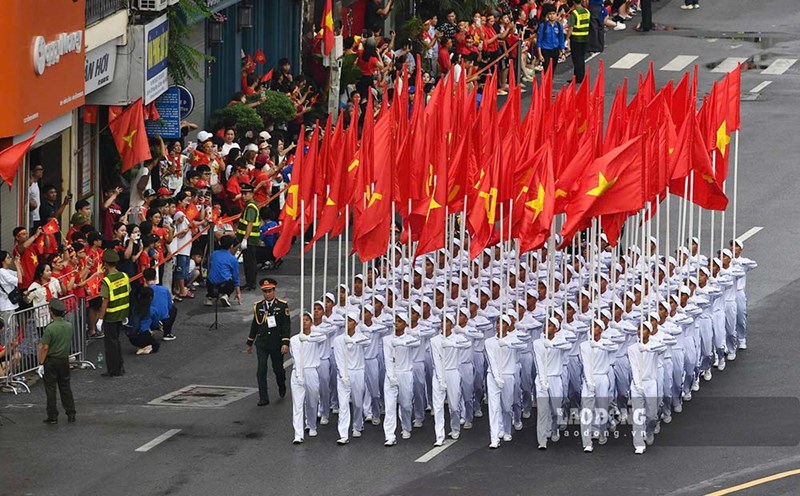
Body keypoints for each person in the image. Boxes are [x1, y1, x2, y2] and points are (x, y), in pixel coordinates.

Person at [246, 278, 290, 405]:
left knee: (278, 369)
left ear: (274, 291)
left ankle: (281, 385)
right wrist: (249, 343)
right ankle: (263, 397)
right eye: (265, 291)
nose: (267, 294)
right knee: (261, 369)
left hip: (276, 343)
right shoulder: (258, 306)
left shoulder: (282, 306)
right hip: (262, 343)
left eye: (269, 291)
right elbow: (255, 325)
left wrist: (285, 343)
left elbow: (286, 326)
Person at [383, 313, 421, 446]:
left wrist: (400, 342)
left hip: (405, 374)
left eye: (400, 321)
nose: (397, 323)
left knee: (405, 405)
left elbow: (417, 342)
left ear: (405, 324)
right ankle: (389, 435)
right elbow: (387, 358)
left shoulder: (411, 338)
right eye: (395, 321)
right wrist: (391, 375)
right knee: (390, 406)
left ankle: (406, 427)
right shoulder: (387, 339)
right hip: (391, 374)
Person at [290, 312, 328, 444]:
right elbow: (296, 357)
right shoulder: (294, 339)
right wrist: (299, 375)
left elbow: (323, 337)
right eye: (302, 320)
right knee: (298, 404)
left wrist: (308, 338)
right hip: (297, 372)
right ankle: (298, 434)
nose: (304, 322)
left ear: (311, 322)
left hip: (312, 371)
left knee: (312, 402)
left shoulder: (316, 336)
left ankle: (311, 425)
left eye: (307, 320)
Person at [333, 311, 370, 444]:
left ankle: (357, 425)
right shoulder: (338, 340)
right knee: (343, 405)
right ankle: (343, 434)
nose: (347, 323)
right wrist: (343, 376)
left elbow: (367, 342)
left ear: (355, 323)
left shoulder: (361, 337)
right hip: (344, 374)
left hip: (358, 372)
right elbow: (339, 358)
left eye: (350, 320)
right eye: (346, 320)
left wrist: (353, 340)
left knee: (358, 403)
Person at [38, 298, 76, 424]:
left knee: (51, 389)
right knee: (65, 387)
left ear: (51, 312)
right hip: (64, 360)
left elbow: (45, 347)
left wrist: (41, 363)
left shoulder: (50, 328)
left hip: (51, 361)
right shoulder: (68, 326)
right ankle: (71, 413)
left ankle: (52, 415)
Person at [96, 249, 131, 377]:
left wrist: (100, 319)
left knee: (111, 344)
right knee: (117, 341)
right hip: (121, 313)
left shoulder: (107, 281)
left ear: (105, 263)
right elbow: (127, 293)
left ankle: (113, 370)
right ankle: (120, 366)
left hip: (110, 315)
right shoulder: (124, 276)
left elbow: (105, 301)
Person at [236, 182, 261, 291]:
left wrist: (245, 239)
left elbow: (250, 224)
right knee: (248, 262)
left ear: (251, 194)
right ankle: (249, 282)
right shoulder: (249, 205)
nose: (244, 195)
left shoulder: (250, 207)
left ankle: (251, 283)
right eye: (243, 193)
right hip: (248, 239)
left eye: (246, 193)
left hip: (250, 239)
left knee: (250, 262)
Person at [205, 235, 242, 307]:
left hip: (210, 283)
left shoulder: (214, 254)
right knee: (230, 279)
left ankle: (210, 297)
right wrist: (238, 293)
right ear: (231, 246)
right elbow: (236, 277)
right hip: (224, 284)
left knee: (212, 276)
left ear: (220, 243)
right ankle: (225, 295)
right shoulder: (233, 259)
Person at [143, 268, 178, 341]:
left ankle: (146, 330)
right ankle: (167, 333)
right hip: (163, 320)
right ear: (155, 277)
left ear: (144, 279)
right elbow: (170, 306)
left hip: (149, 320)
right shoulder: (164, 289)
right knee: (173, 309)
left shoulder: (142, 292)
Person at [537, 4, 566, 74]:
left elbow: (561, 39)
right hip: (546, 50)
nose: (552, 15)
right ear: (547, 15)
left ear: (556, 14)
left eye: (553, 13)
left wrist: (563, 52)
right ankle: (545, 84)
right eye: (550, 14)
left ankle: (549, 83)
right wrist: (540, 54)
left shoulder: (559, 26)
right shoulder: (543, 26)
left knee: (552, 70)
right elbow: (539, 41)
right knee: (546, 70)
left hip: (555, 50)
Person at [567, 0, 591, 83]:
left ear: (573, 2)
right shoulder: (587, 11)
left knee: (577, 59)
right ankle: (580, 76)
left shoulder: (574, 13)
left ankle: (578, 77)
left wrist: (567, 38)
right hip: (585, 38)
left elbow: (571, 28)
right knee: (581, 58)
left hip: (576, 39)